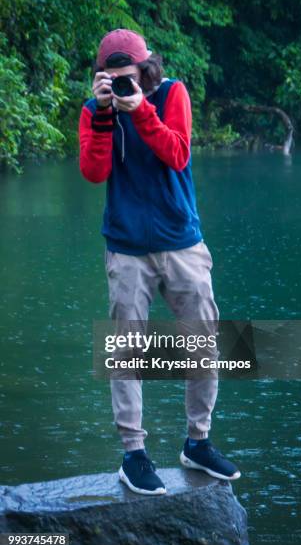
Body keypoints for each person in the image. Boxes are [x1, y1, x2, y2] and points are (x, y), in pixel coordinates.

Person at [79, 28, 241, 495]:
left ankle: (198, 442)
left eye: (127, 76)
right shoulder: (95, 110)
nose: (121, 84)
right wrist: (108, 114)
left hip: (181, 242)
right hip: (127, 246)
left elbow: (177, 153)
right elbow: (94, 173)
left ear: (145, 68)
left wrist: (141, 110)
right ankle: (133, 454)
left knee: (205, 344)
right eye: (111, 79)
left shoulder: (172, 93)